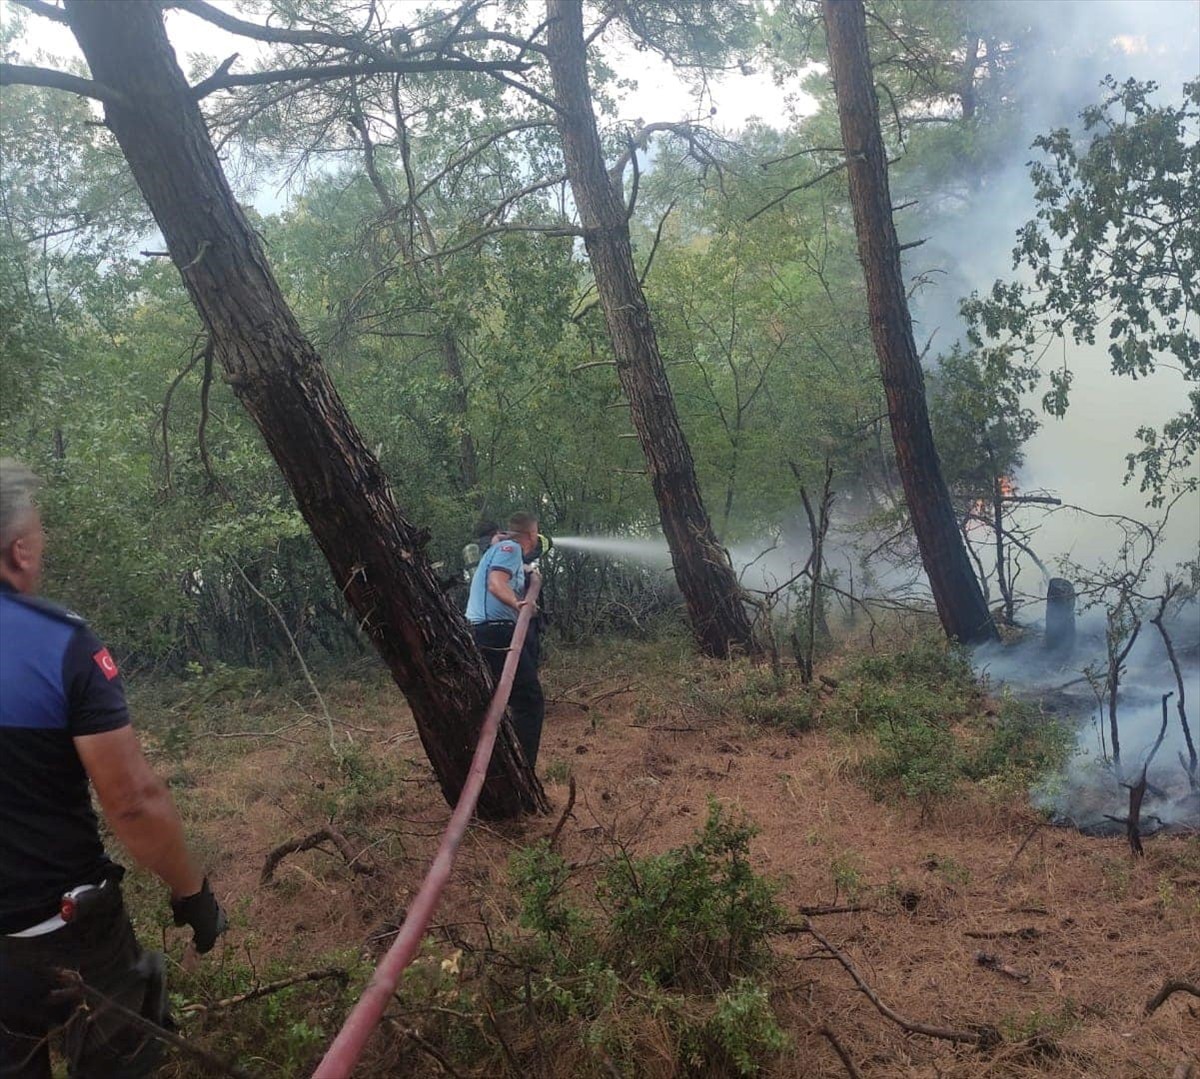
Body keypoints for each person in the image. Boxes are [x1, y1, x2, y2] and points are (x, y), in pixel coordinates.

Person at [0, 458, 226, 1078]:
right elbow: (131, 800)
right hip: (62, 929)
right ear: (20, 550)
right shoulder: (57, 642)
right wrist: (192, 893)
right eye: (39, 534)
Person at [465, 511, 545, 766]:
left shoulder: (502, 550)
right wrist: (519, 604)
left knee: (496, 702)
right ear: (531, 535)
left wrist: (528, 571)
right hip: (495, 631)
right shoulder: (511, 548)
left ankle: (502, 765)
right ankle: (523, 771)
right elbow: (496, 583)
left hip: (484, 632)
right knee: (529, 701)